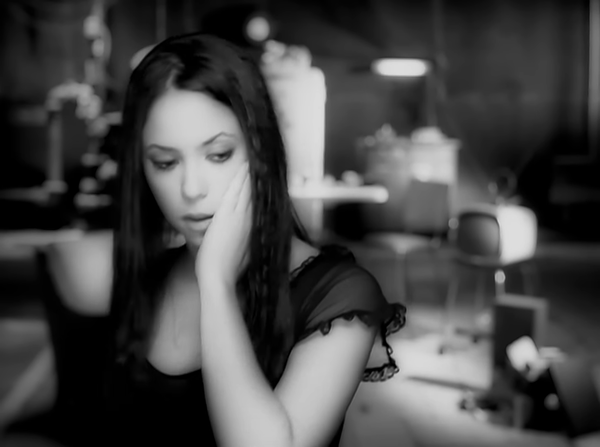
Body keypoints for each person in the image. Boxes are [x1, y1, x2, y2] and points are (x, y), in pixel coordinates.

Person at [3, 32, 406, 447]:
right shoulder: (130, 277)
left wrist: (215, 281)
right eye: (165, 162)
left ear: (260, 151)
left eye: (218, 155)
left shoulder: (339, 297)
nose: (192, 188)